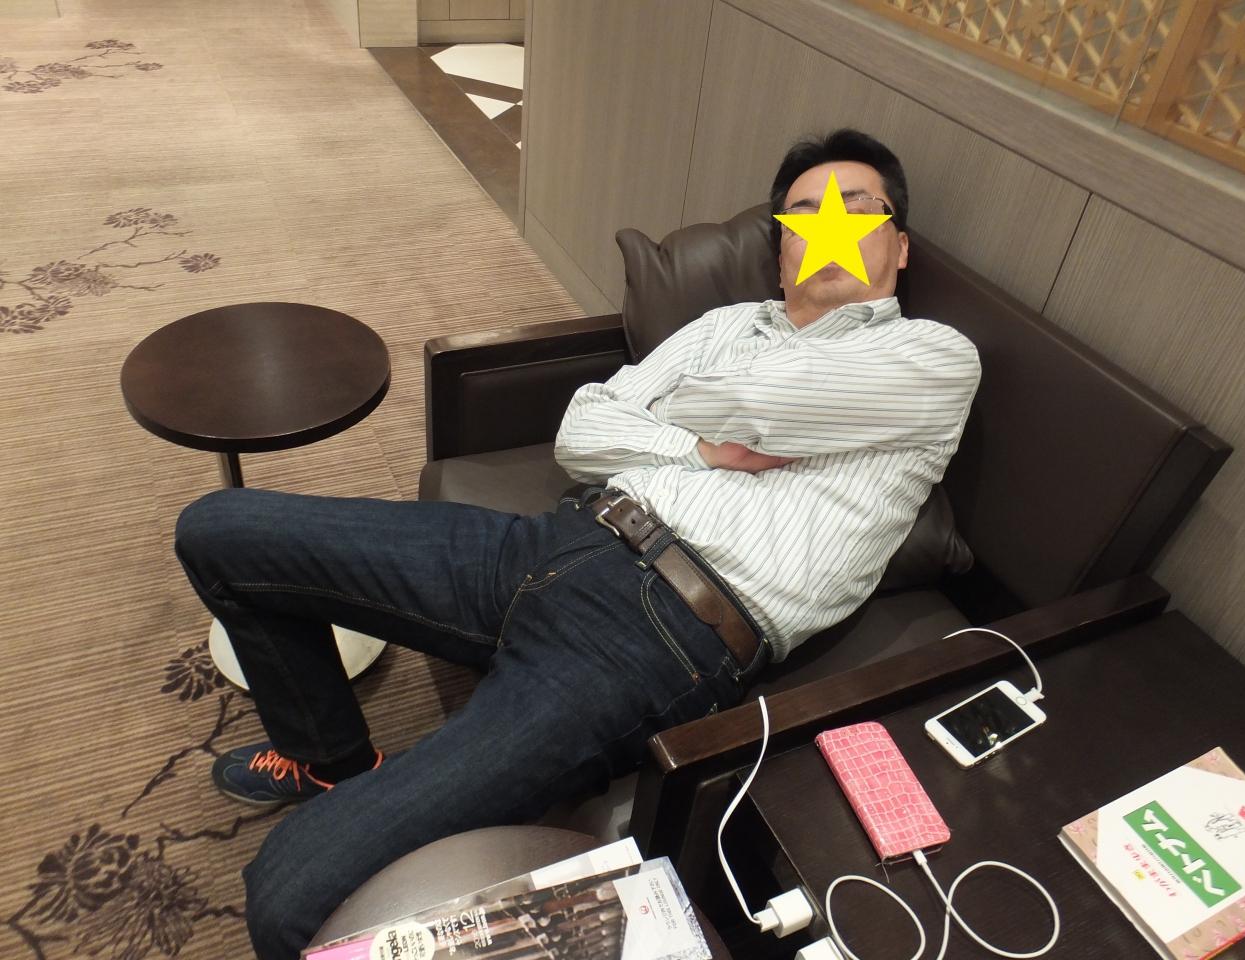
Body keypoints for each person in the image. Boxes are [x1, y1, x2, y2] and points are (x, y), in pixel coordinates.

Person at [173, 127, 980, 960]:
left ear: (900, 245)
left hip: (658, 635)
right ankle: (329, 758)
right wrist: (700, 450)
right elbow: (582, 429)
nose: (828, 227)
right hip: (555, 541)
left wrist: (670, 411)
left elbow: (765, 410)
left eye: (857, 208)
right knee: (220, 530)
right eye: (804, 214)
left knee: (289, 893)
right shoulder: (728, 325)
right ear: (780, 255)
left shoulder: (933, 358)